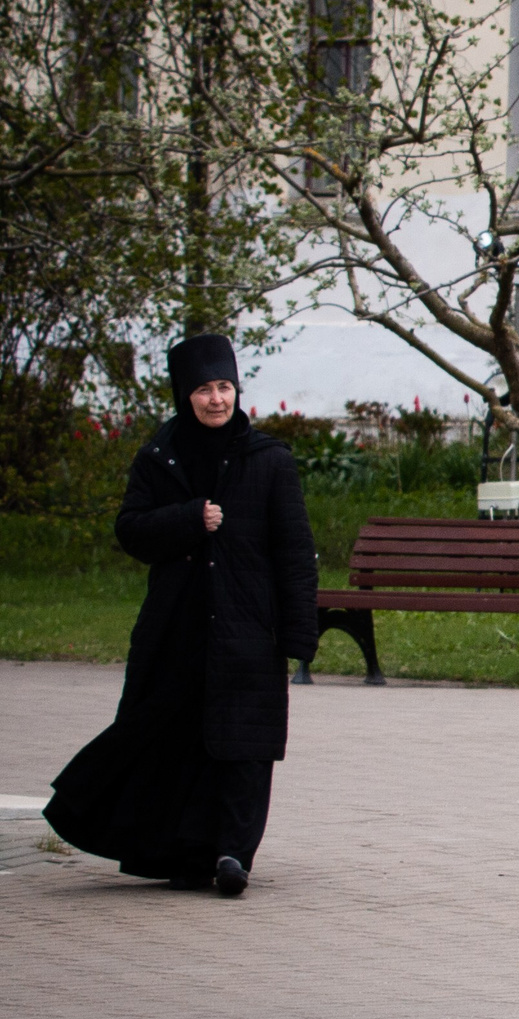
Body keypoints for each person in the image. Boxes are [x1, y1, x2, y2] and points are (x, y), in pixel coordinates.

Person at [47, 335, 318, 896]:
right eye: (203, 389)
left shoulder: (268, 460)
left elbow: (294, 550)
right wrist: (189, 518)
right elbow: (132, 531)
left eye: (224, 386)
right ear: (183, 394)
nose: (217, 399)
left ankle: (233, 854)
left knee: (246, 744)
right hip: (177, 629)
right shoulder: (159, 457)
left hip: (248, 628)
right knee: (176, 739)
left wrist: (297, 632)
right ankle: (186, 851)